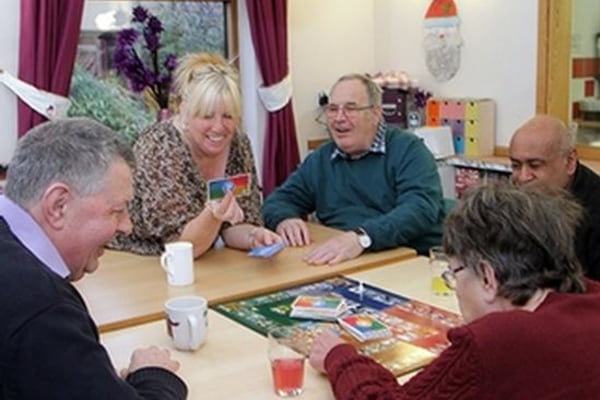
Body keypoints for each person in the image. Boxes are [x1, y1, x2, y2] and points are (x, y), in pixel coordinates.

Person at [309, 182, 600, 399]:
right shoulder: (589, 295)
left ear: (488, 278)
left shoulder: (496, 342)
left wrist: (340, 356)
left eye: (455, 273)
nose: (455, 287)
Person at [0, 118, 187, 399]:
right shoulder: (41, 308)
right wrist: (155, 375)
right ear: (58, 206)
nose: (127, 226)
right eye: (117, 210)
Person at [261, 73, 445, 265]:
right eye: (332, 109)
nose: (339, 118)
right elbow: (278, 201)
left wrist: (362, 238)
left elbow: (420, 209)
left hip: (409, 262)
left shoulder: (408, 150)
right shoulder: (321, 158)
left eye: (350, 108)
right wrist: (284, 219)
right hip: (345, 262)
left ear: (375, 114)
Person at [109, 53, 280, 258]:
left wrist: (254, 236)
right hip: (136, 259)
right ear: (184, 111)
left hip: (200, 257)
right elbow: (184, 247)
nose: (218, 127)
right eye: (207, 116)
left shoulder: (238, 144)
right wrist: (213, 214)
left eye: (228, 116)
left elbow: (233, 225)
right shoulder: (159, 148)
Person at [509, 114, 600, 280]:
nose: (523, 177)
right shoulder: (516, 199)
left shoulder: (595, 211)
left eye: (534, 165)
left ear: (570, 162)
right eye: (516, 165)